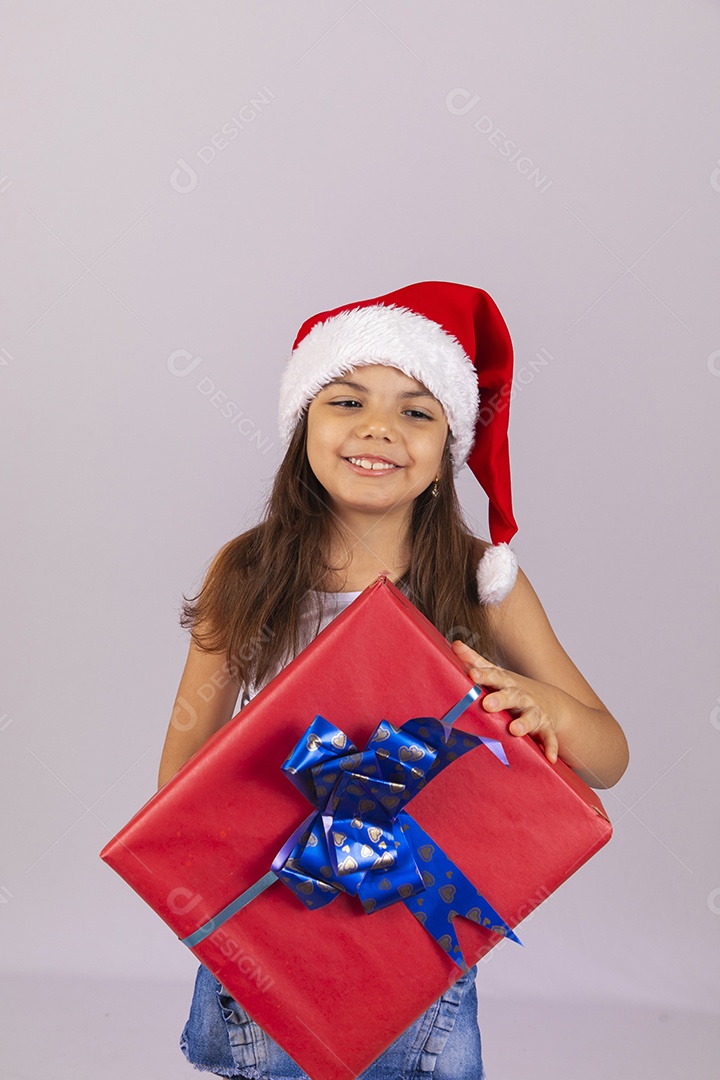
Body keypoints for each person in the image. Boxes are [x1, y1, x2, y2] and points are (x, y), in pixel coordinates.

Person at [158, 281, 629, 1079]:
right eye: (346, 401)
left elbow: (608, 759)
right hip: (274, 920)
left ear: (448, 450)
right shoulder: (246, 570)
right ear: (302, 425)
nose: (379, 428)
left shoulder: (485, 581)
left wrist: (545, 706)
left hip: (411, 931)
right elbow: (178, 779)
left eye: (417, 410)